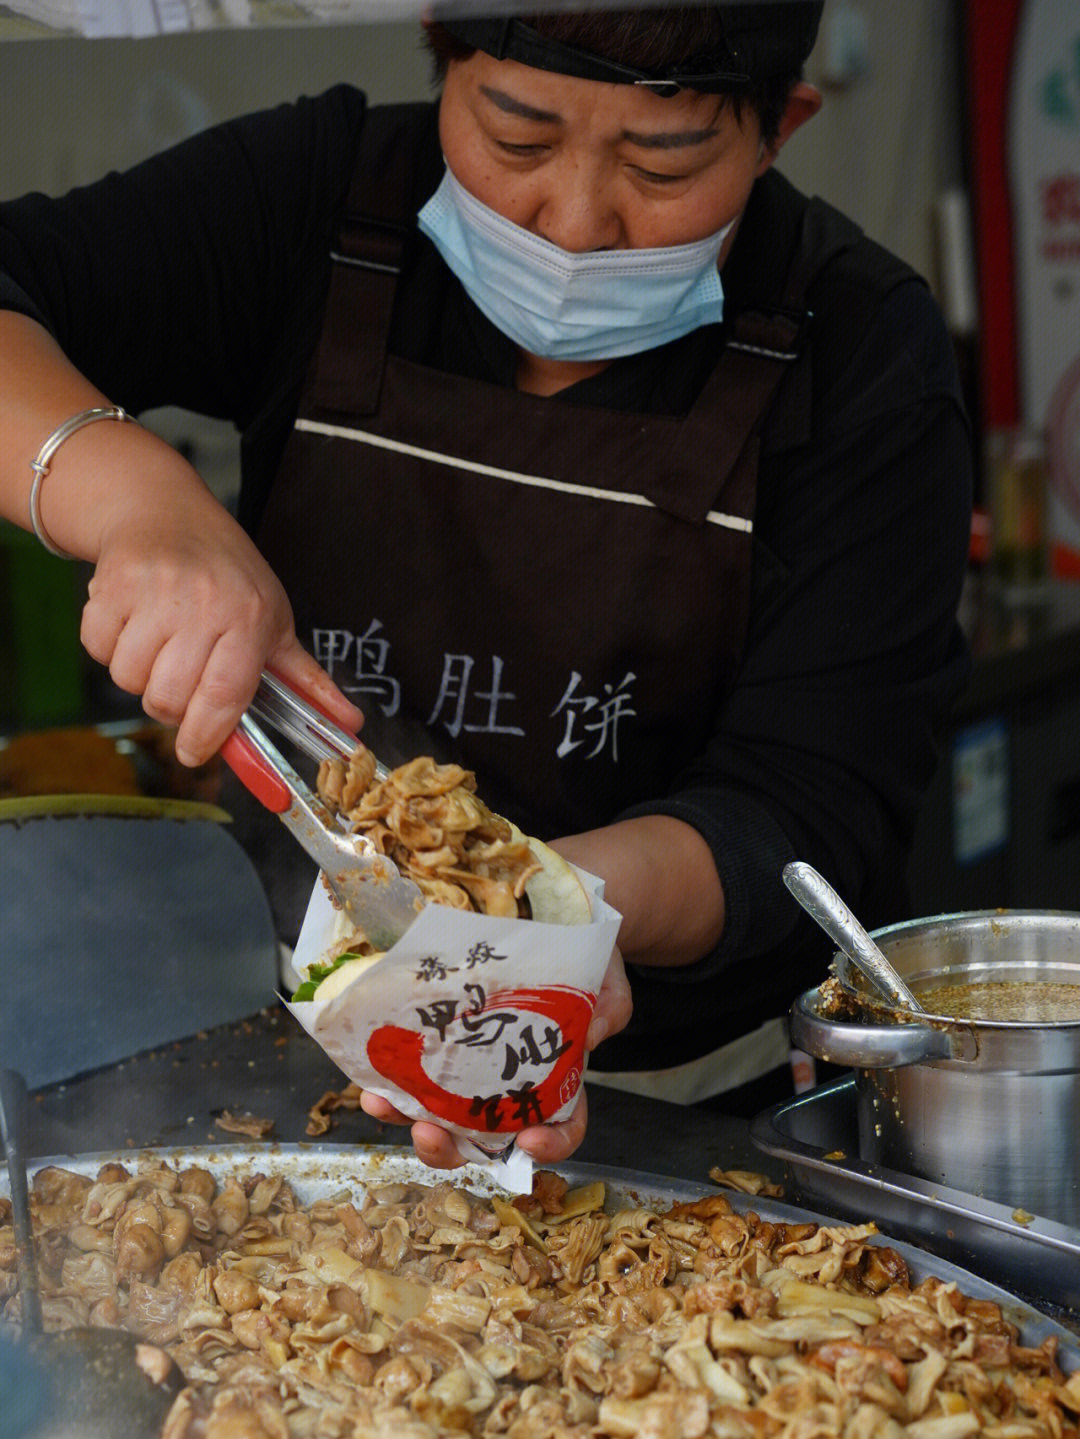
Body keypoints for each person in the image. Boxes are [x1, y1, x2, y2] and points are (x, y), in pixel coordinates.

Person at [0, 2, 972, 1165]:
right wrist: (138, 503)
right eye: (516, 138)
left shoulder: (863, 348)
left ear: (778, 129)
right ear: (442, 58)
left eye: (661, 164)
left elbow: (812, 812)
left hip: (675, 1113)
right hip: (261, 1075)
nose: (573, 222)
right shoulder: (320, 196)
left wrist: (542, 913)